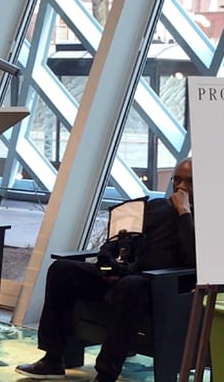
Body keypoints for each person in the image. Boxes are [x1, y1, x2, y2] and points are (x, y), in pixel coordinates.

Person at [15, 158, 196, 382]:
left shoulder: (200, 220)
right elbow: (121, 235)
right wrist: (107, 260)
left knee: (131, 286)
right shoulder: (155, 206)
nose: (180, 187)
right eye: (177, 180)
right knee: (62, 269)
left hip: (160, 288)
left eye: (189, 182)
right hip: (126, 273)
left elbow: (192, 258)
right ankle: (53, 358)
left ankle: (106, 373)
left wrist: (184, 213)